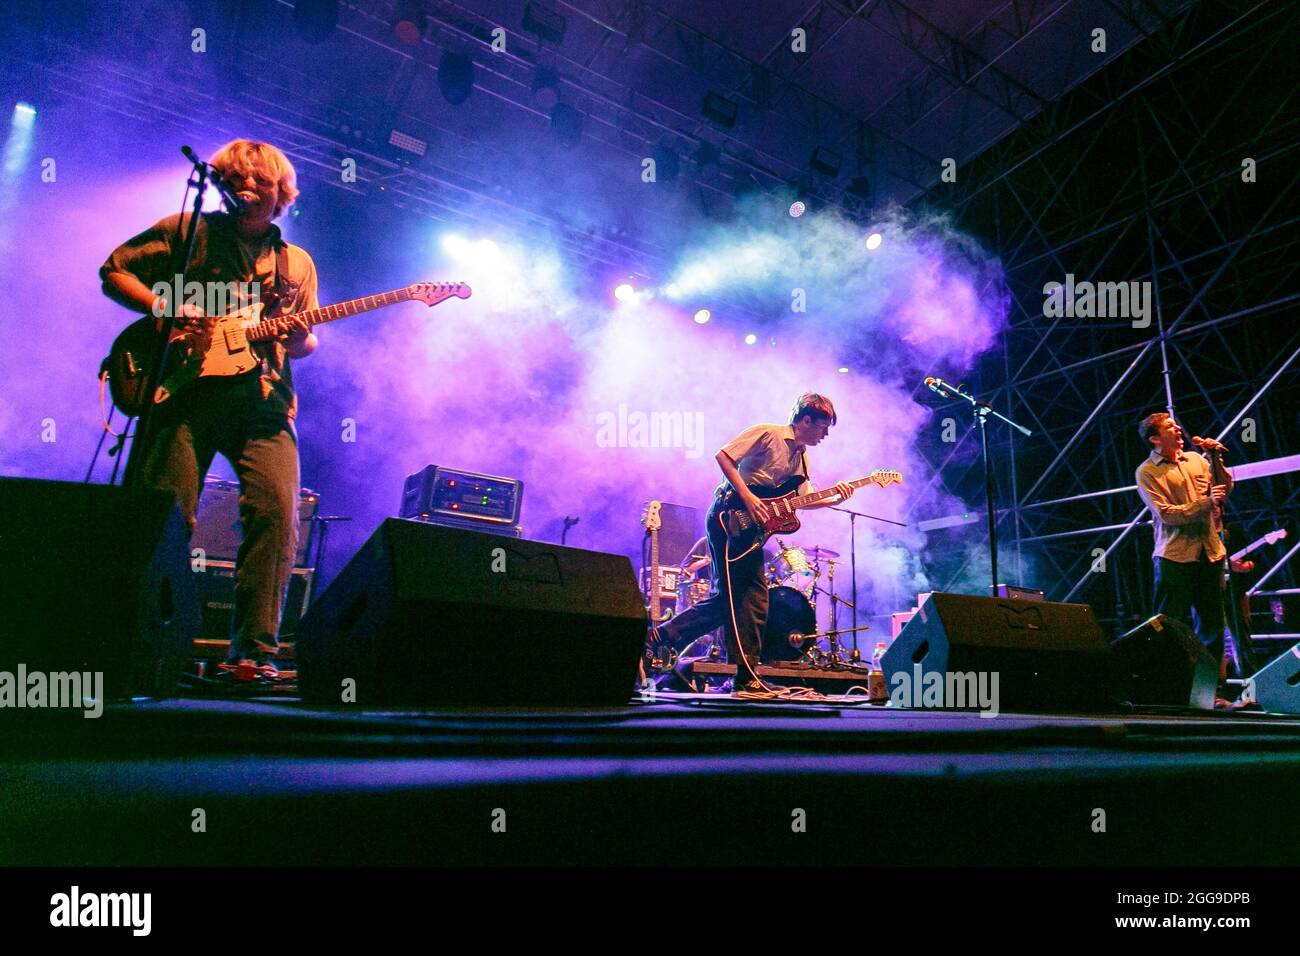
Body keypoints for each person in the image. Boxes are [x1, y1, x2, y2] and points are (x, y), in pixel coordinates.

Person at [100, 139, 319, 680]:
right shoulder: (187, 231)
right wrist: (164, 308)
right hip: (186, 391)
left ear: (280, 192)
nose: (247, 188)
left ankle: (253, 654)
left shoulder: (295, 264)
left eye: (259, 181)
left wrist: (295, 340)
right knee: (168, 514)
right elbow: (115, 270)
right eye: (236, 179)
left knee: (276, 512)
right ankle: (145, 643)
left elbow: (305, 342)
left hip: (265, 401)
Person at [651, 394, 854, 698]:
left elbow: (802, 498)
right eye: (823, 427)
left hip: (752, 530)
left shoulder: (802, 456)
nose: (825, 435)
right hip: (729, 517)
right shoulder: (768, 433)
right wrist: (747, 496)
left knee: (730, 601)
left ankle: (666, 635)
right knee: (752, 599)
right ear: (806, 420)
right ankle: (746, 679)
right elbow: (723, 456)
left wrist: (835, 497)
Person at [1134, 412, 1234, 687]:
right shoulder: (1147, 472)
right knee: (1170, 624)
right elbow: (1167, 514)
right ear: (1155, 438)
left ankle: (1210, 689)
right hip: (1174, 555)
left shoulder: (1195, 460)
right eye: (1169, 427)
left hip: (1209, 551)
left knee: (1213, 624)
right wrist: (1205, 503)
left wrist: (1216, 458)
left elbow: (1223, 489)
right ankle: (1166, 684)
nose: (1178, 428)